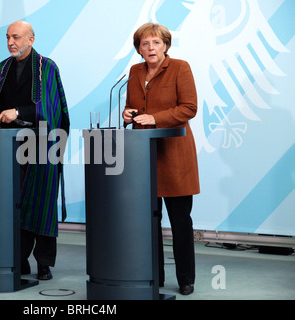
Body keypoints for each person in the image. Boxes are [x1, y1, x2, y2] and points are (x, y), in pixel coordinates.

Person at [0, 21, 70, 280]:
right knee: (15, 203)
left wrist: (19, 112)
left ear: (30, 40)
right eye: (8, 37)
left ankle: (43, 263)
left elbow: (52, 110)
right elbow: (0, 101)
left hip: (42, 145)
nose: (11, 42)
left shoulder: (47, 67)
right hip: (10, 146)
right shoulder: (3, 67)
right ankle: (19, 259)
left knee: (42, 203)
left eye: (16, 37)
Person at [122, 22, 200, 295]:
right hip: (143, 157)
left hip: (174, 155)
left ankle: (186, 279)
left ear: (166, 45)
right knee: (148, 221)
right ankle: (154, 276)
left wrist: (155, 118)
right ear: (138, 49)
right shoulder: (134, 71)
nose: (150, 48)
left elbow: (189, 108)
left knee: (180, 221)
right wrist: (128, 113)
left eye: (156, 42)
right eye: (145, 44)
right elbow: (133, 105)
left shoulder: (180, 67)